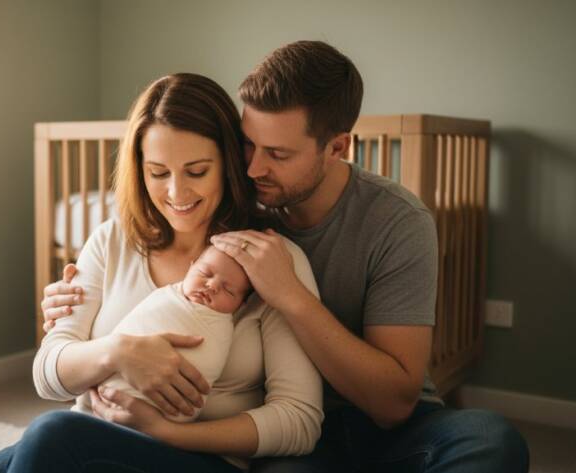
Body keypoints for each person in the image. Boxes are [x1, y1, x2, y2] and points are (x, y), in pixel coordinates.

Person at [45, 42, 530, 473]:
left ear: (337, 147)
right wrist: (82, 325)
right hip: (288, 432)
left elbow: (393, 404)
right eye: (248, 145)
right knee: (43, 442)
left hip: (363, 420)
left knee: (491, 440)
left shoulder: (394, 221)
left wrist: (291, 297)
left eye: (277, 154)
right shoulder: (233, 212)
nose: (254, 168)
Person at [0, 72, 323, 473]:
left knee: (52, 434)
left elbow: (299, 421)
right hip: (90, 437)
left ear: (229, 163)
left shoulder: (269, 261)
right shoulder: (112, 241)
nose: (177, 194)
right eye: (159, 173)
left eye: (197, 171)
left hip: (197, 458)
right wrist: (121, 352)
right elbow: (48, 375)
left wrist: (168, 432)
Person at [100, 245, 251, 422]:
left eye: (228, 290)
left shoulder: (222, 327)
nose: (212, 286)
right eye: (205, 273)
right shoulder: (167, 297)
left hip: (169, 425)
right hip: (107, 397)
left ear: (241, 304)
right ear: (191, 266)